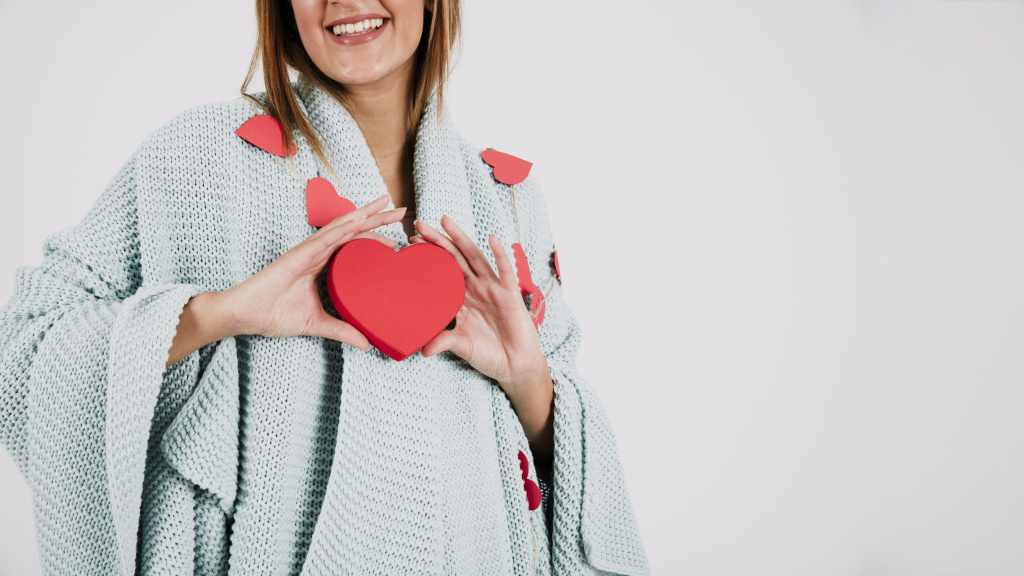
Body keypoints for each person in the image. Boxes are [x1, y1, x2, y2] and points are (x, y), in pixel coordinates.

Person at [0, 0, 648, 574]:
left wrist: (528, 377)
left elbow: (571, 479)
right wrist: (218, 314)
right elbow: (24, 349)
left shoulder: (507, 201)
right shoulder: (197, 161)